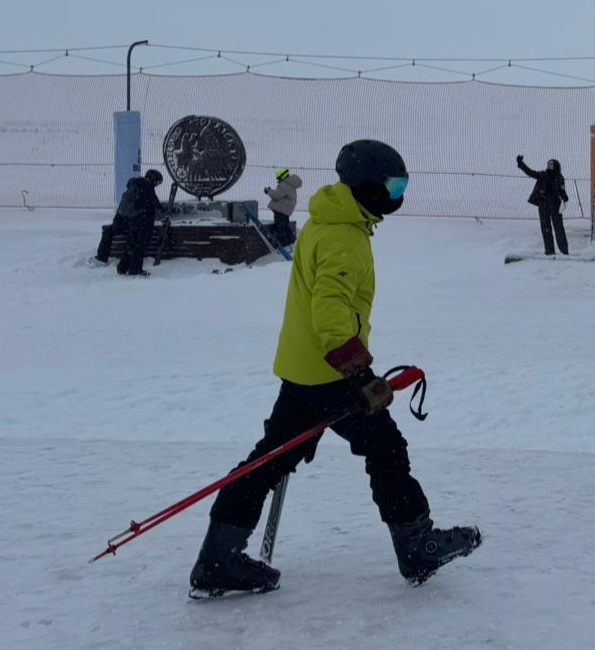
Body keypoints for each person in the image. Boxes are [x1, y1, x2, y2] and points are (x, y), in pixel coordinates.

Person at [189, 139, 481, 598]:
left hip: (303, 371)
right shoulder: (344, 236)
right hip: (330, 376)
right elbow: (330, 315)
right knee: (385, 449)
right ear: (368, 185)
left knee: (270, 458)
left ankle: (217, 558)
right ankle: (417, 545)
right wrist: (360, 374)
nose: (398, 193)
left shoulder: (328, 221)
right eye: (394, 184)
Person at [95, 169, 163, 276]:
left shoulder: (132, 185)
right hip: (138, 222)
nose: (157, 185)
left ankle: (104, 259)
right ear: (154, 180)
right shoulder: (147, 188)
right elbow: (156, 205)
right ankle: (134, 271)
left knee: (114, 234)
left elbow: (123, 206)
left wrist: (118, 222)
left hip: (123, 220)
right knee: (138, 244)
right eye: (158, 182)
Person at [517, 155, 570, 255]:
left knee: (559, 228)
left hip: (555, 205)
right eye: (548, 163)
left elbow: (562, 190)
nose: (549, 165)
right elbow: (531, 173)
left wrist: (565, 197)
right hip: (543, 204)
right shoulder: (543, 175)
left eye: (552, 164)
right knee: (546, 228)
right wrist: (521, 164)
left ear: (556, 166)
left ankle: (564, 250)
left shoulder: (559, 177)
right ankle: (549, 251)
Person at [263, 169, 303, 247]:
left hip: (280, 210)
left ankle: (283, 244)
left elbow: (276, 195)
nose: (278, 180)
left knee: (281, 228)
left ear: (283, 176)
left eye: (278, 178)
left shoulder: (284, 184)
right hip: (285, 210)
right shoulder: (290, 184)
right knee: (285, 226)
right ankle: (290, 240)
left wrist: (269, 191)